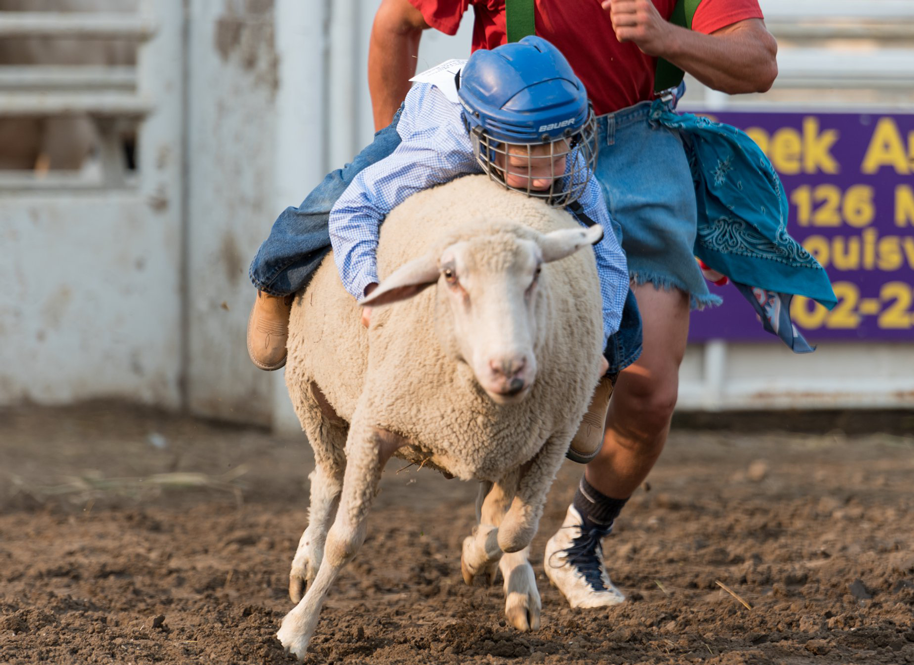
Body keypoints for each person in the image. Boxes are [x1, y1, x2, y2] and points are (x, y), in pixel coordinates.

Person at [366, 0, 835, 609]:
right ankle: (281, 283)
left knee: (651, 392)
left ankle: (577, 543)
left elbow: (757, 64)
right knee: (502, 345)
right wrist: (393, 144)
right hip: (523, 148)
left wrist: (665, 37)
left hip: (643, 150)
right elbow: (394, 23)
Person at [247, 36, 638, 461]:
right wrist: (369, 288)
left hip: (514, 119)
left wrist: (595, 340)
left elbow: (609, 259)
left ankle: (604, 371)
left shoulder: (556, 151)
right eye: (527, 167)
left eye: (557, 159)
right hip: (432, 116)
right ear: (486, 142)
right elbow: (356, 208)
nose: (545, 180)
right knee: (337, 193)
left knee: (606, 236)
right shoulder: (443, 147)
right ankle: (274, 280)